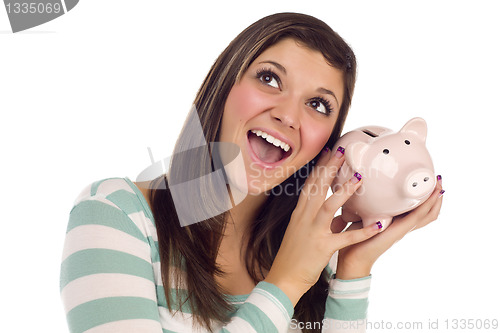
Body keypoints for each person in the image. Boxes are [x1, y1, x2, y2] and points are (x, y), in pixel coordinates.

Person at [60, 12, 444, 333]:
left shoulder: (310, 253)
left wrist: (353, 270)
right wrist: (285, 283)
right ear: (225, 84)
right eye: (269, 78)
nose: (288, 115)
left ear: (329, 144)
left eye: (317, 104)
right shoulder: (115, 215)